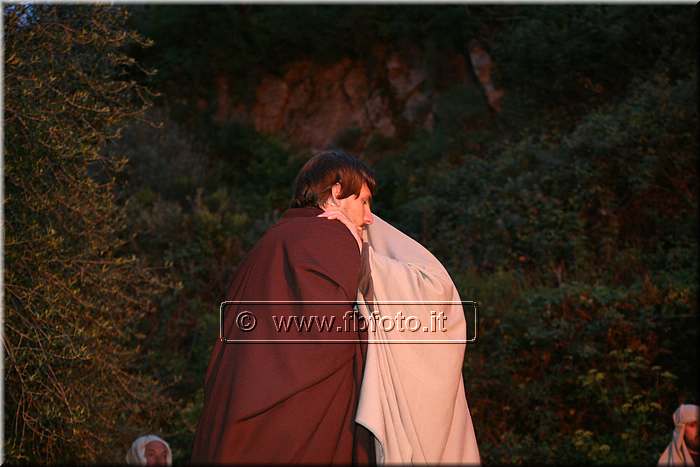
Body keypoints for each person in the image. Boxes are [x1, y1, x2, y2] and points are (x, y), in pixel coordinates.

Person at [191, 150, 376, 464]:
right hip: (293, 427)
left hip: (238, 411)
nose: (369, 217)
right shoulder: (331, 234)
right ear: (336, 192)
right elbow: (330, 335)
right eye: (364, 202)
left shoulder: (271, 239)